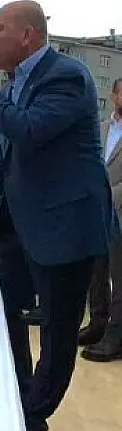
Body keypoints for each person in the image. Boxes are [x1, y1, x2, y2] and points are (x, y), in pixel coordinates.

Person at [0, 0, 115, 431]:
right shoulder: (17, 81)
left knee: (56, 337)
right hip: (19, 223)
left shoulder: (66, 77)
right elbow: (7, 149)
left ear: (28, 35)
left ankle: (30, 425)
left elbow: (29, 131)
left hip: (65, 230)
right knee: (5, 314)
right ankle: (15, 397)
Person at [82, 77, 122, 362]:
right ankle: (97, 324)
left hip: (119, 211)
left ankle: (116, 336)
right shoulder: (102, 129)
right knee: (96, 271)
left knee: (119, 278)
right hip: (97, 212)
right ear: (114, 95)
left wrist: (106, 195)